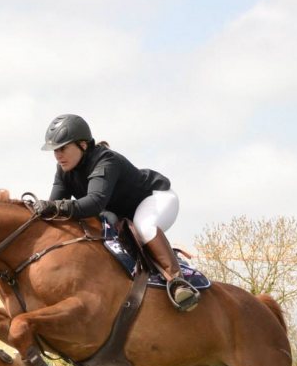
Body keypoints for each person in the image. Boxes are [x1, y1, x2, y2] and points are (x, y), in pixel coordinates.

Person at [35, 114, 198, 311]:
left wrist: (56, 207)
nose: (58, 155)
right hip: (123, 213)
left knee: (144, 227)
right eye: (55, 150)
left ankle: (178, 283)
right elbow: (55, 207)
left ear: (83, 145)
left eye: (63, 148)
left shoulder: (105, 160)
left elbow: (94, 203)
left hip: (155, 198)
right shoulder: (63, 170)